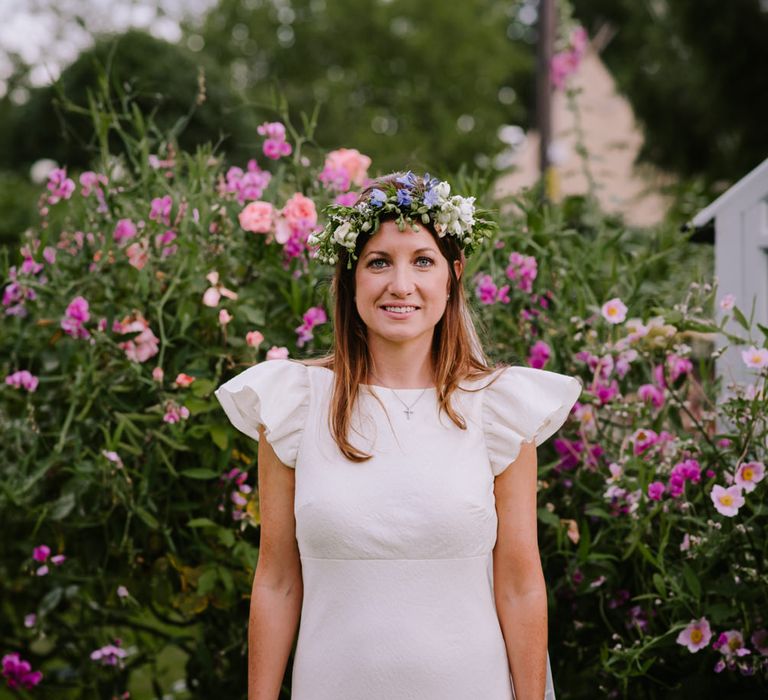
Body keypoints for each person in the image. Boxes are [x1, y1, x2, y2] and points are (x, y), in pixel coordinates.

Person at [214, 171, 583, 700]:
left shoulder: (497, 409)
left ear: (453, 274)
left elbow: (521, 585)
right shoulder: (295, 405)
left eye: (423, 261)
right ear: (351, 276)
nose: (401, 285)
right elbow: (276, 581)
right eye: (379, 261)